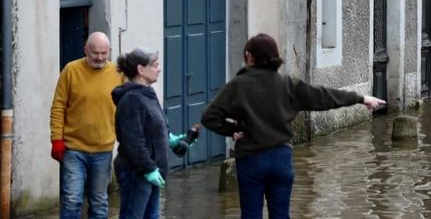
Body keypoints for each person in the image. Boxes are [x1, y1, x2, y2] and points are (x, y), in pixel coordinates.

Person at [201, 33, 385, 219]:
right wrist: (361, 98)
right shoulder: (288, 85)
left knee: (250, 214)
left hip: (251, 159)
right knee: (281, 215)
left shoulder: (238, 86)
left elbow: (209, 117)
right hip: (281, 159)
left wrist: (232, 131)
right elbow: (324, 96)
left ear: (249, 56)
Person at [49, 31, 123, 219]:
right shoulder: (71, 70)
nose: (99, 57)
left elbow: (126, 109)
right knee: (72, 200)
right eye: (95, 53)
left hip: (103, 149)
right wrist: (56, 139)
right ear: (85, 50)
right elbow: (58, 106)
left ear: (109, 51)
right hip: (73, 149)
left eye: (104, 53)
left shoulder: (118, 74)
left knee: (99, 202)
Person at [113, 48, 190, 219]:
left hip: (151, 170)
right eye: (155, 65)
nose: (159, 68)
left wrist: (170, 139)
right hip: (137, 172)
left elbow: (154, 125)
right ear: (141, 70)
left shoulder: (147, 93)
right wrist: (147, 168)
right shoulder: (131, 99)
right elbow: (133, 141)